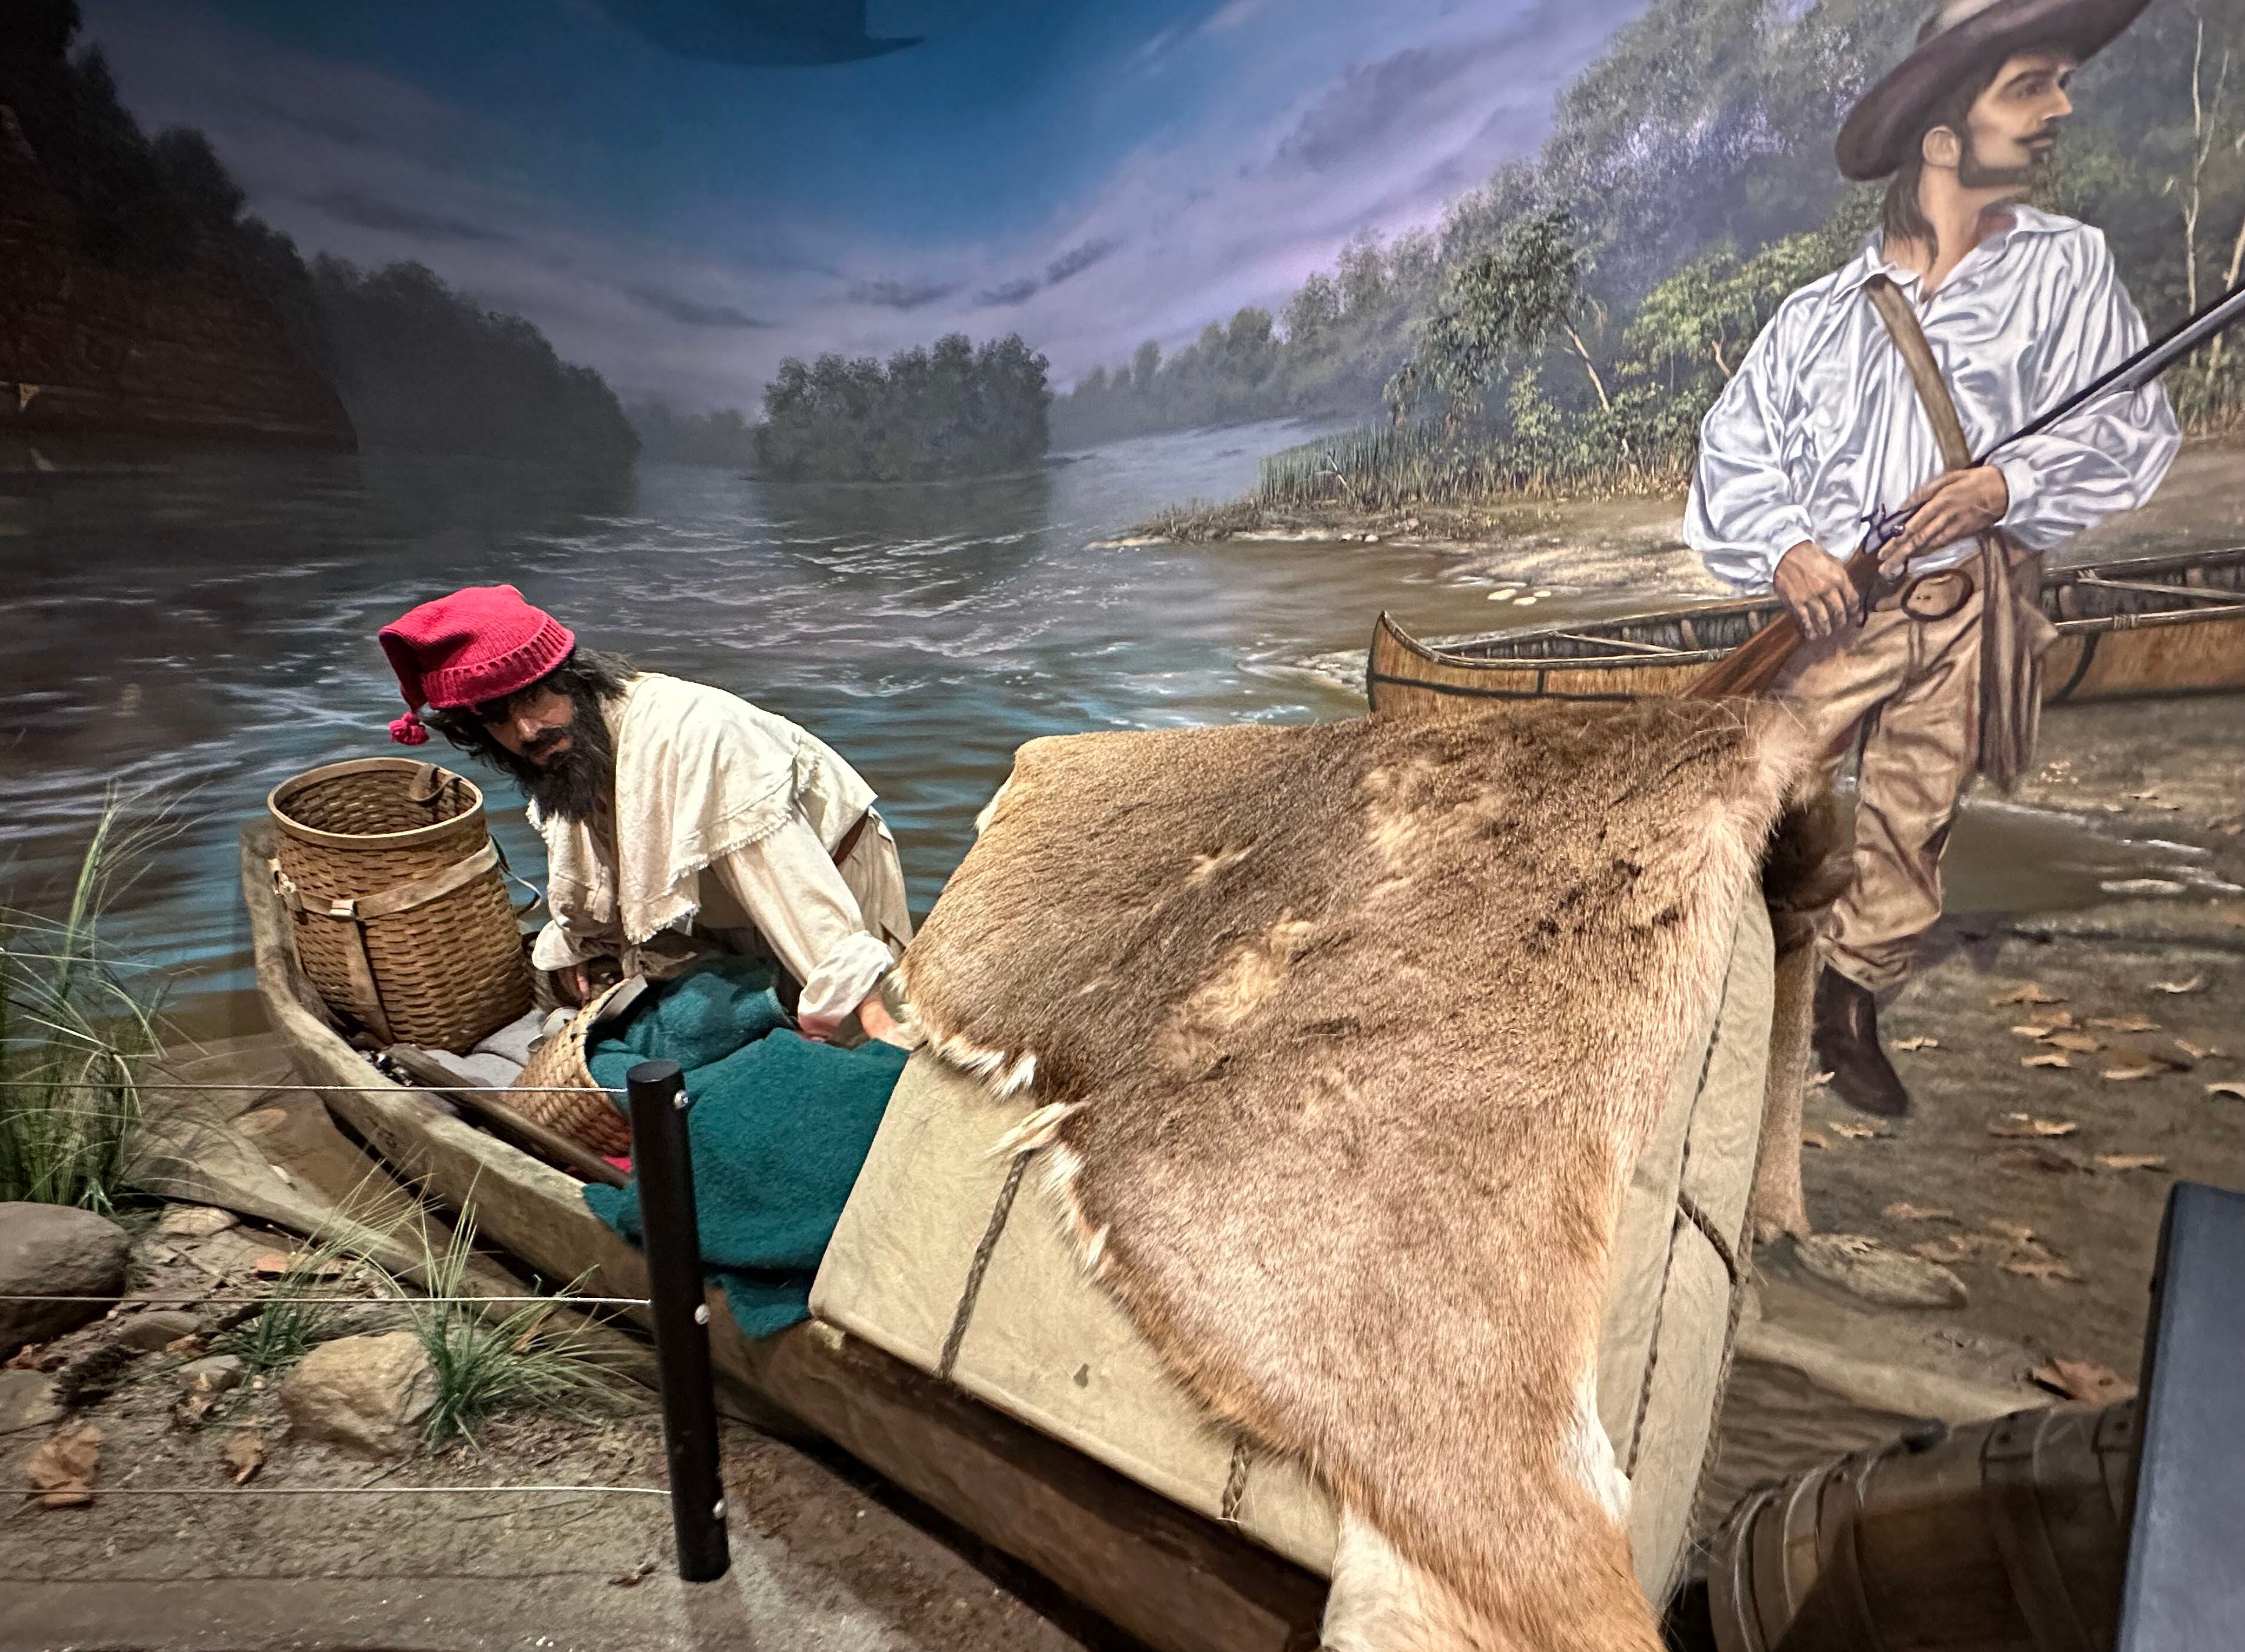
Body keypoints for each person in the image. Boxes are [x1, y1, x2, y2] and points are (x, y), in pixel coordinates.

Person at [1685, 0, 2178, 1117]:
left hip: (1968, 604)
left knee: (1911, 817)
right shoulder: (1818, 318)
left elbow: (2130, 437)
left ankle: (1846, 1007)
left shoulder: (2068, 270)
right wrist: (1788, 552)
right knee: (1769, 786)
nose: (2060, 107)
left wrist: (2002, 487)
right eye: (2030, 85)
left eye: (2059, 81)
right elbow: (1733, 450)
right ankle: (1723, 985)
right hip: (1837, 617)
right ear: (1944, 138)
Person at [376, 584, 913, 1046]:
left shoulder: (695, 733)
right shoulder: (570, 752)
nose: (525, 732)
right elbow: (592, 849)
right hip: (726, 902)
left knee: (854, 1044)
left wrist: (866, 1006)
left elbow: (787, 877)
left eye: (535, 697)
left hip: (829, 884)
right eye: (496, 718)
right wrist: (585, 944)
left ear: (575, 677)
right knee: (766, 1023)